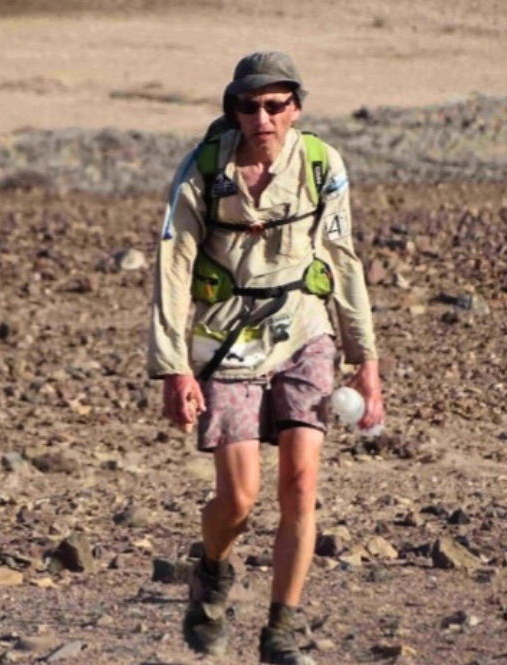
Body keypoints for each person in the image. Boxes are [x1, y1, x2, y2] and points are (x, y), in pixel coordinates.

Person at [148, 51, 384, 663]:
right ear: (234, 111)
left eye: (276, 105)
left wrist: (367, 359)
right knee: (239, 498)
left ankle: (281, 628)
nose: (263, 117)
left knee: (301, 485)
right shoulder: (204, 169)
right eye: (250, 106)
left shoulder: (319, 163)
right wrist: (174, 367)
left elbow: (342, 256)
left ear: (295, 108)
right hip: (226, 337)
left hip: (305, 331)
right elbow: (173, 266)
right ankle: (212, 570)